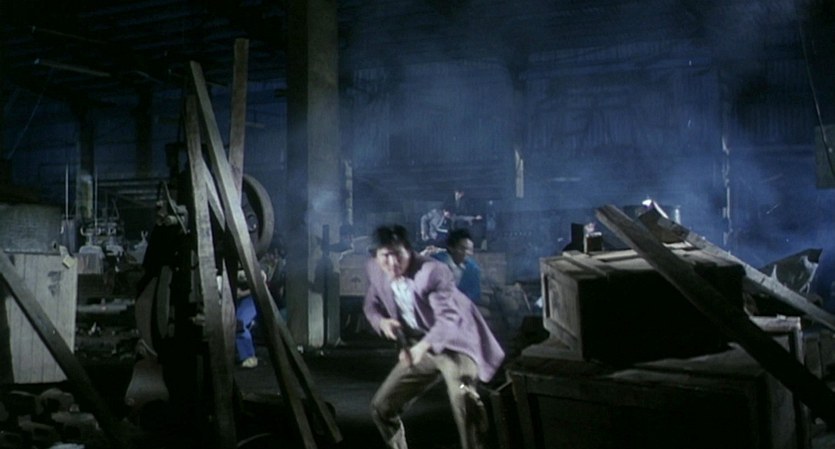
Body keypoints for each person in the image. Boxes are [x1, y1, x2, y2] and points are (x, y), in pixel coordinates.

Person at [363, 224, 505, 449]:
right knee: (381, 408)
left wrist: (420, 348)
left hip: (458, 342)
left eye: (398, 254)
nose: (393, 263)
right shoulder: (375, 269)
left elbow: (448, 320)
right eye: (386, 256)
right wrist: (382, 322)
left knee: (464, 399)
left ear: (409, 251)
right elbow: (371, 306)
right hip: (420, 345)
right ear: (376, 256)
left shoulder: (432, 271)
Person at [427, 228, 482, 305]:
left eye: (470, 250)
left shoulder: (473, 270)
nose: (468, 253)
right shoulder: (434, 263)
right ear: (451, 248)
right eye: (463, 249)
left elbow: (475, 293)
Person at [235, 269, 266, 368]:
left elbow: (262, 280)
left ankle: (249, 356)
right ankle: (243, 354)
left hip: (251, 298)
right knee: (234, 323)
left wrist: (243, 293)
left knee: (239, 323)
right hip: (237, 300)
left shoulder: (253, 268)